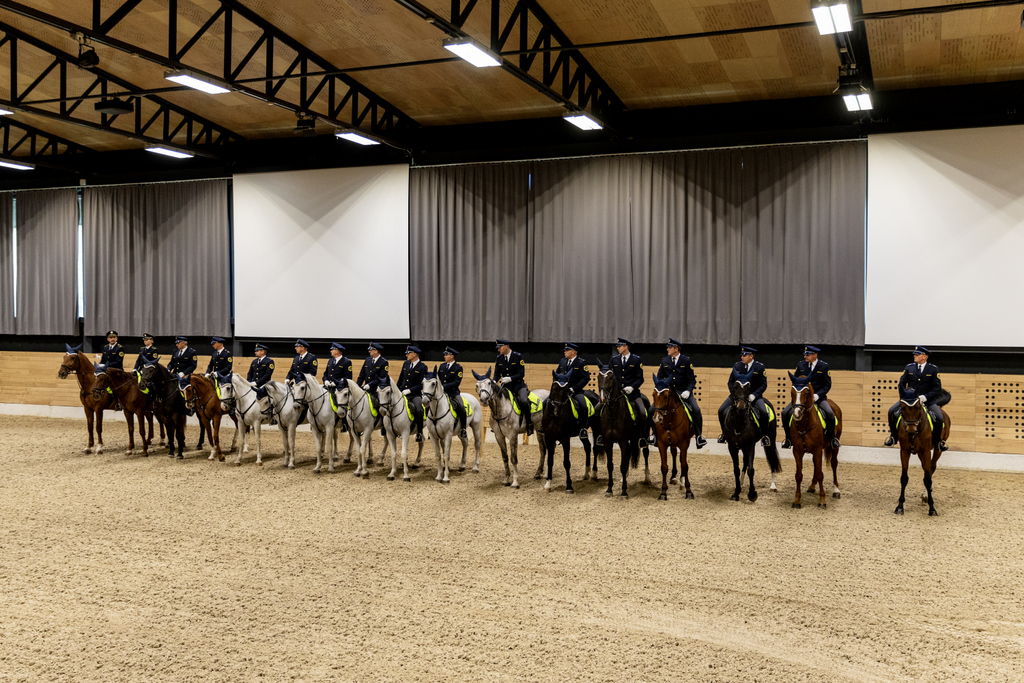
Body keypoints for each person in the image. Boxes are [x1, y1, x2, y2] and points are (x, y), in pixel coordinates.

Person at [884, 346, 947, 451]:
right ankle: (893, 437)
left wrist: (925, 397)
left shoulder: (933, 369)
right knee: (891, 411)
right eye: (915, 354)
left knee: (939, 417)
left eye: (917, 355)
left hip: (927, 401)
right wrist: (904, 396)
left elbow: (937, 388)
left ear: (924, 357)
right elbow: (901, 384)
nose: (914, 356)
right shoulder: (909, 367)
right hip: (910, 400)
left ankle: (938, 442)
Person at [780, 345, 839, 449]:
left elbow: (827, 385)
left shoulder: (823, 366)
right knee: (785, 413)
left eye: (808, 354)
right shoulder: (801, 365)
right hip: (802, 399)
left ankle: (832, 438)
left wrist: (817, 395)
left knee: (830, 414)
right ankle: (788, 439)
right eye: (805, 354)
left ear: (814, 355)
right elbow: (795, 381)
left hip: (818, 398)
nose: (805, 357)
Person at [656, 338, 707, 449]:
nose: (667, 349)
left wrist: (688, 391)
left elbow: (691, 380)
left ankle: (699, 436)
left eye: (670, 347)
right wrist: (661, 389)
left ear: (676, 349)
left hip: (684, 392)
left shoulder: (686, 361)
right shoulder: (664, 361)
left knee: (696, 410)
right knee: (653, 409)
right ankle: (654, 436)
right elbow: (660, 377)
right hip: (668, 394)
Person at [718, 346, 769, 443]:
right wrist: (734, 394)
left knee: (764, 412)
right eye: (741, 355)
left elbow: (763, 384)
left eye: (744, 355)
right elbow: (730, 382)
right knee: (721, 410)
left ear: (751, 356)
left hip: (754, 397)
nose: (742, 357)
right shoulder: (737, 366)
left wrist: (754, 395)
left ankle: (764, 436)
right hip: (737, 396)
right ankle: (724, 434)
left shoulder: (759, 367)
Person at [495, 339, 533, 436]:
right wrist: (493, 381)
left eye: (500, 347)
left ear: (505, 346)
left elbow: (521, 374)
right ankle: (498, 424)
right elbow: (496, 374)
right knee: (496, 401)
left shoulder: (517, 356)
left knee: (524, 401)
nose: (498, 349)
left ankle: (529, 423)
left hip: (518, 385)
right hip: (505, 387)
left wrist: (511, 378)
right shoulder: (499, 358)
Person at [556, 342, 591, 440]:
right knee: (547, 401)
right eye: (565, 350)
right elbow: (557, 375)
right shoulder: (562, 361)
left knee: (583, 406)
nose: (565, 352)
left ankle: (583, 429)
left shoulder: (581, 362)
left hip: (576, 391)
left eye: (567, 350)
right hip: (562, 391)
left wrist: (574, 388)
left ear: (573, 352)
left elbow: (585, 378)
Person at [610, 337, 647, 424]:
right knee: (599, 409)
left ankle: (641, 436)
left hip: (632, 394)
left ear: (625, 347)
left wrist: (632, 387)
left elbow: (640, 379)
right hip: (616, 394)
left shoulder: (636, 360)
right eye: (617, 346)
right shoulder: (614, 360)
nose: (617, 348)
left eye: (619, 346)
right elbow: (611, 376)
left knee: (642, 412)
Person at [357, 343, 390, 434]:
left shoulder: (383, 362)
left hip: (377, 390)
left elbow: (381, 378)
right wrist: (357, 386)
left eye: (371, 349)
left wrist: (370, 385)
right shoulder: (367, 360)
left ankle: (383, 426)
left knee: (381, 406)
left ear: (376, 351)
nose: (369, 351)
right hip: (365, 389)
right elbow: (362, 375)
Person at [397, 345, 428, 442]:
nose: (406, 355)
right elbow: (401, 379)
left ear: (415, 354)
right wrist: (398, 390)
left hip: (415, 394)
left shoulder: (422, 367)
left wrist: (410, 390)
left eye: (408, 353)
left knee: (418, 409)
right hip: (402, 393)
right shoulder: (406, 364)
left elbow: (422, 384)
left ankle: (419, 433)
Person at [438, 346, 467, 439]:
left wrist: (443, 387)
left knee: (461, 406)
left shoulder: (458, 367)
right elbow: (438, 378)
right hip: (441, 393)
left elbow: (456, 382)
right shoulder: (442, 366)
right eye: (445, 355)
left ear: (452, 356)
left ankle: (463, 429)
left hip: (453, 393)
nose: (444, 356)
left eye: (446, 355)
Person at [166, 336, 198, 413]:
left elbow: (193, 366)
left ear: (183, 343)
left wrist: (183, 373)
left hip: (185, 376)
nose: (177, 345)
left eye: (178, 343)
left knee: (185, 390)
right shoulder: (175, 351)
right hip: (175, 375)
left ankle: (189, 408)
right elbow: (172, 363)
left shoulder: (191, 352)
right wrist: (168, 369)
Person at [247, 343, 276, 424]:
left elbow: (267, 375)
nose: (255, 352)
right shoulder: (254, 361)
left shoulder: (269, 361)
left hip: (265, 384)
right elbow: (250, 373)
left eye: (257, 350)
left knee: (271, 398)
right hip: (254, 384)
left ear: (263, 351)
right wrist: (249, 382)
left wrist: (256, 382)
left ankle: (273, 416)